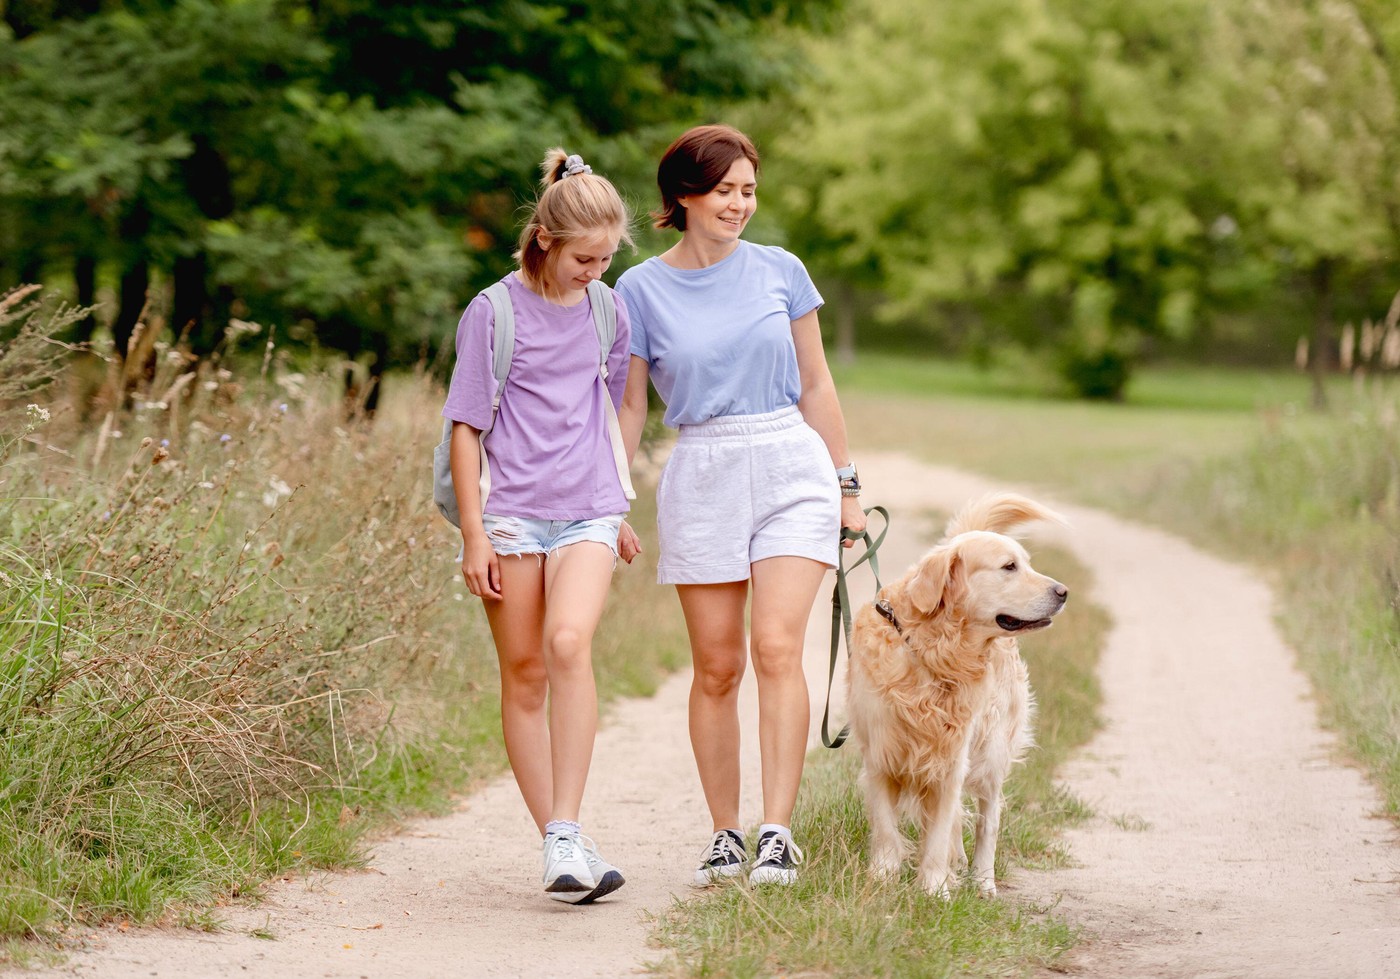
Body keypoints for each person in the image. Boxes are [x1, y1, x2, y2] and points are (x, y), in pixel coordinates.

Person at [616, 124, 866, 887]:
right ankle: (725, 831)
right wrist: (610, 497)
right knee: (717, 665)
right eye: (725, 190)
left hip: (790, 460)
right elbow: (629, 409)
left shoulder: (781, 271)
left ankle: (777, 833)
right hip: (703, 467)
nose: (740, 204)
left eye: (749, 190)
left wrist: (847, 484)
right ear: (684, 196)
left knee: (777, 647)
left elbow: (817, 383)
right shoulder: (638, 291)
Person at [443, 148, 641, 904]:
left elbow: (612, 405)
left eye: (605, 257)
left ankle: (566, 823)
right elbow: (466, 426)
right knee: (524, 674)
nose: (596, 270)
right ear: (547, 240)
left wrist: (618, 504)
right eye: (585, 257)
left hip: (590, 505)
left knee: (568, 642)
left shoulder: (606, 308)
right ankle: (562, 841)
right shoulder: (491, 312)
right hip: (511, 515)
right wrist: (473, 532)